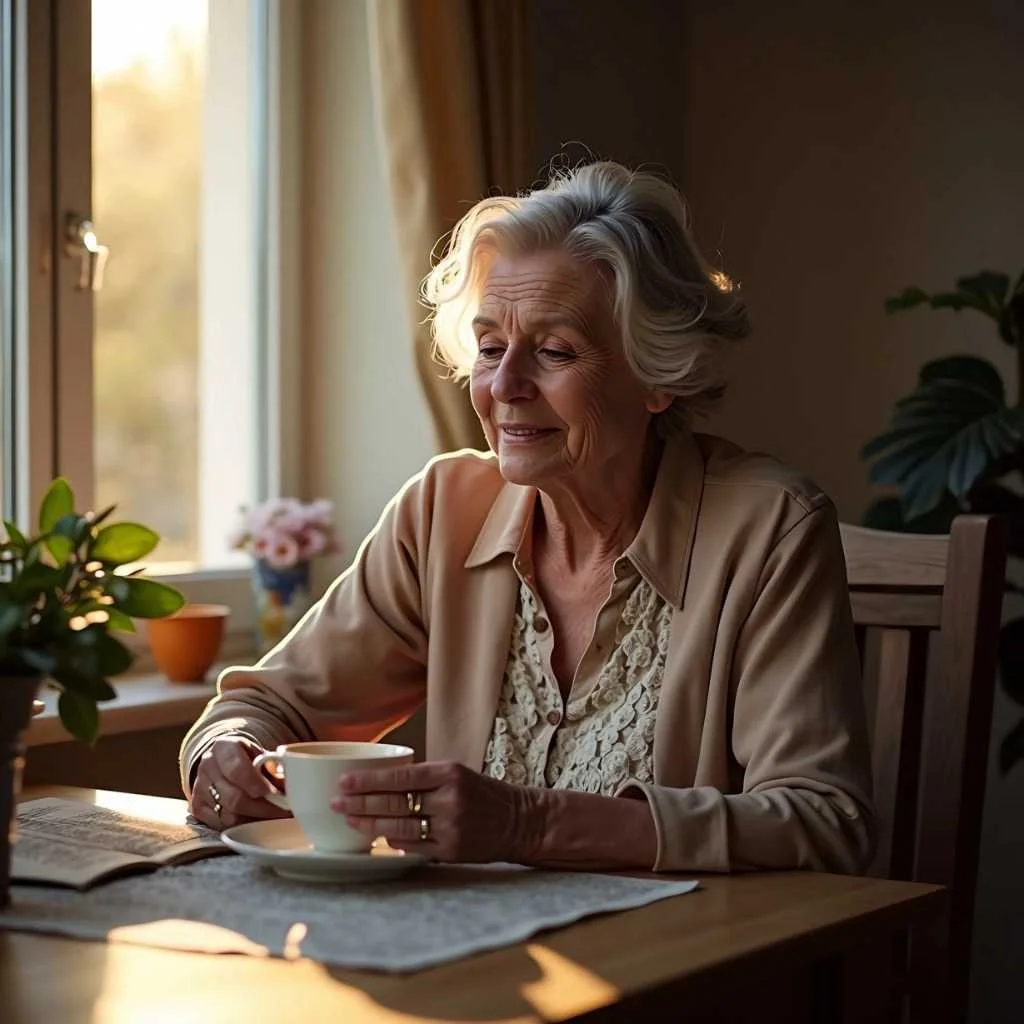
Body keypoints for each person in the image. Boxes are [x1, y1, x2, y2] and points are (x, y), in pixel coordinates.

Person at [180, 160, 875, 874]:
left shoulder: (770, 529)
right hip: (475, 941)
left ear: (658, 376)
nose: (505, 385)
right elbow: (271, 706)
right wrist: (224, 755)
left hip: (685, 941)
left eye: (554, 351)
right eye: (489, 348)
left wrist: (526, 823)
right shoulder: (442, 510)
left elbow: (824, 820)